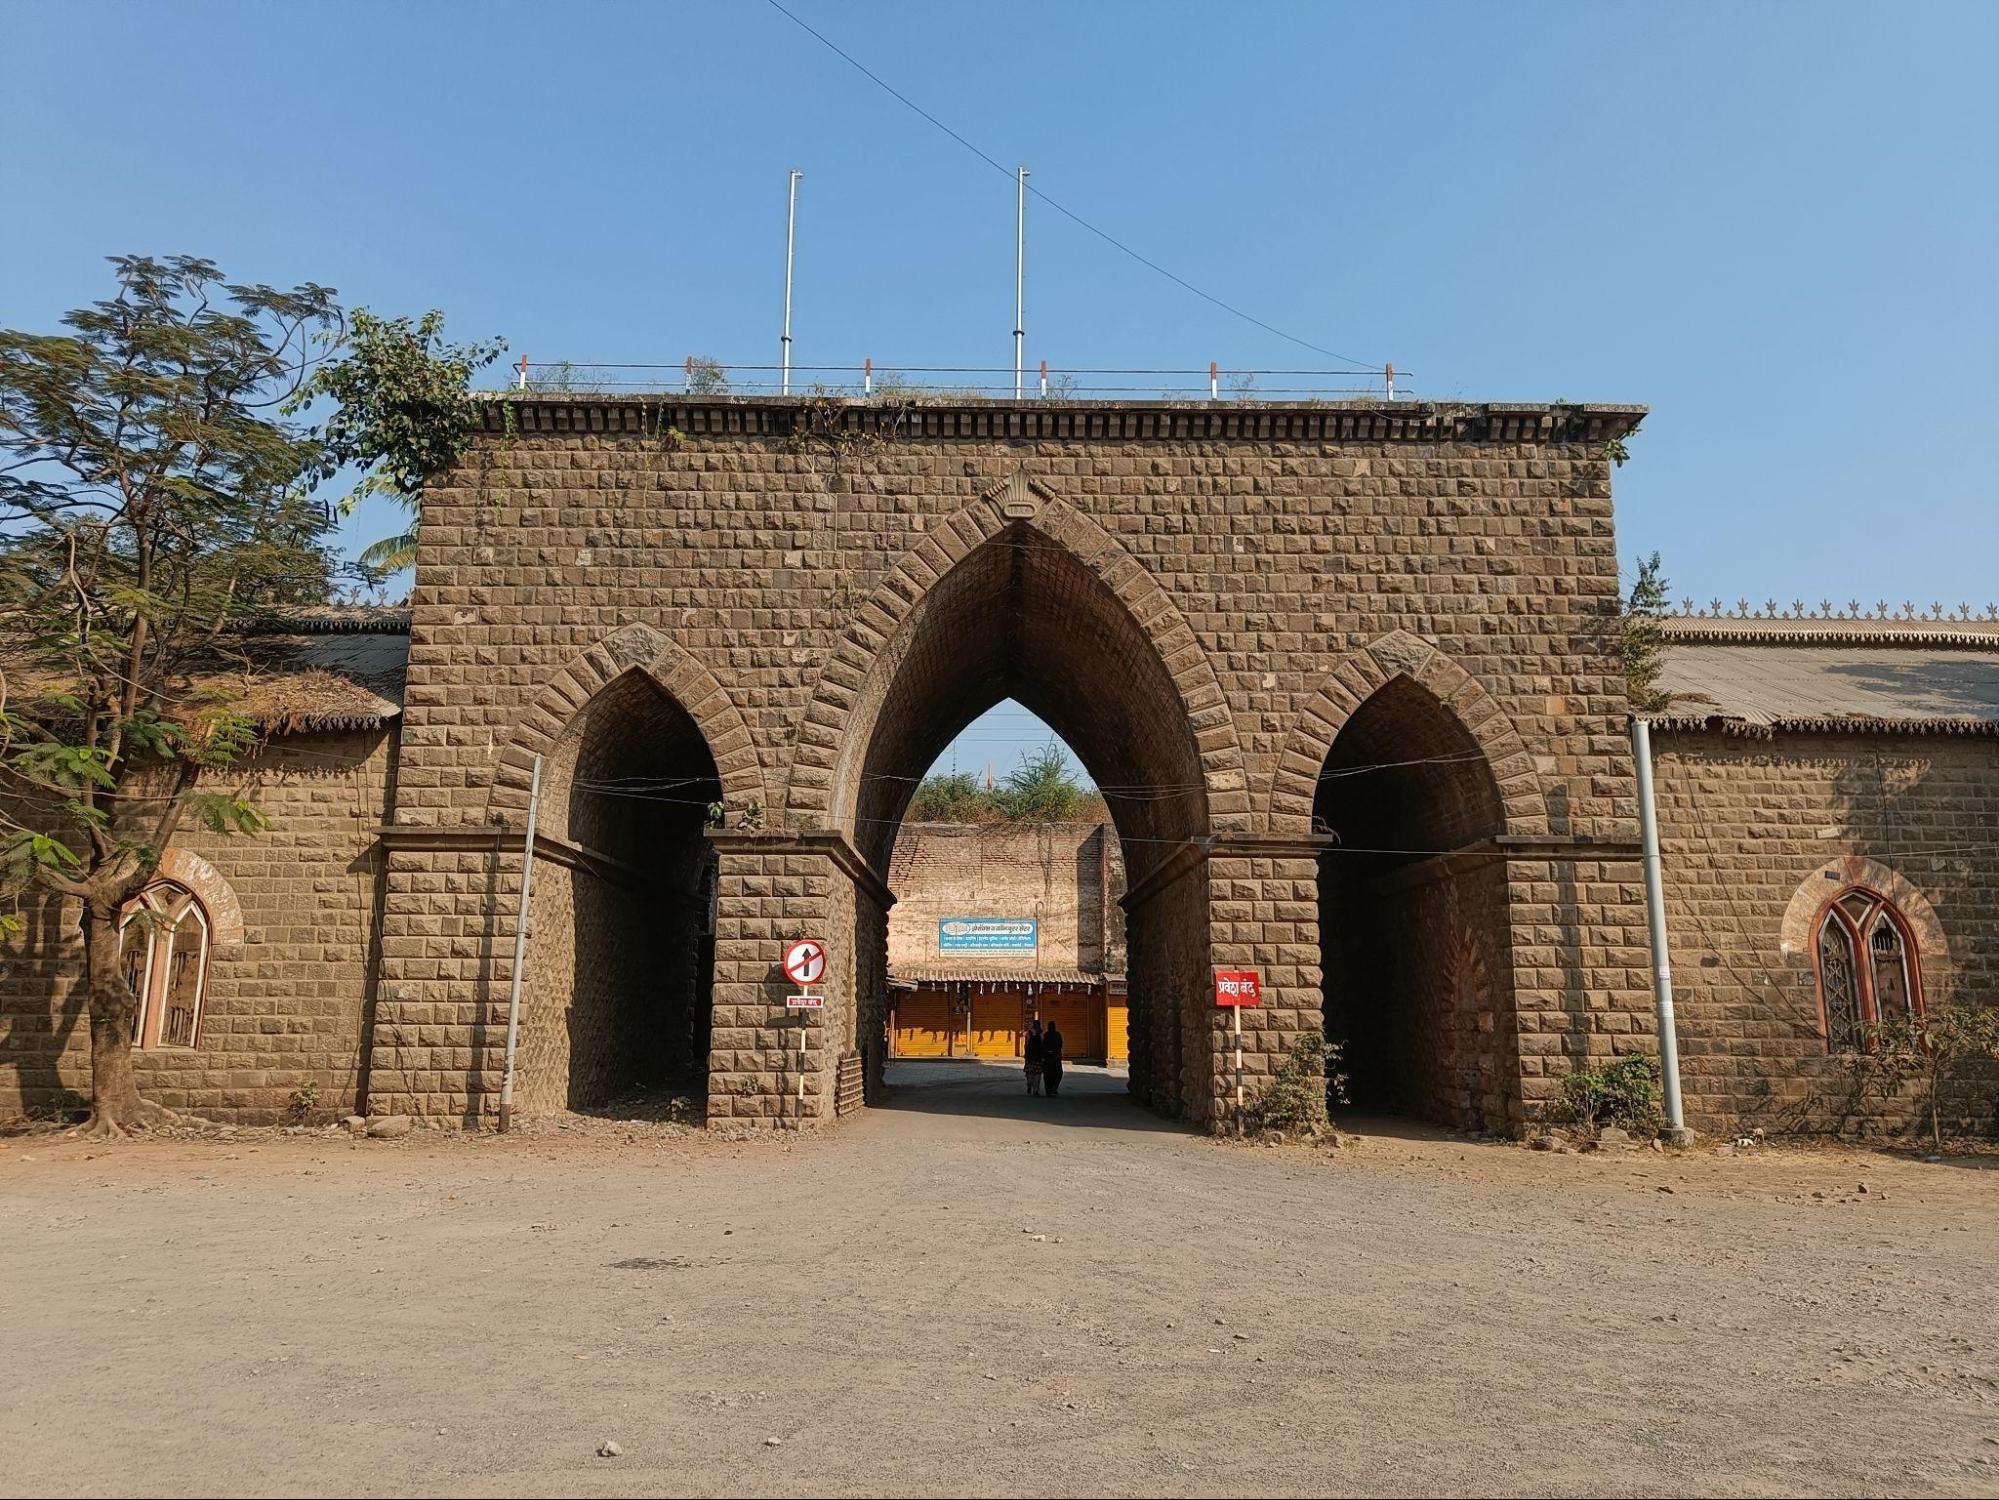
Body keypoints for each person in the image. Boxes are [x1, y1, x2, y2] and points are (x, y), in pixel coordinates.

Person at [1041, 1018, 1064, 1097]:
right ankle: (1053, 1088)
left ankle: (1050, 1089)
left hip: (1051, 1058)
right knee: (1056, 1073)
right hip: (1053, 1057)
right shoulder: (1055, 1034)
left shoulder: (1048, 1035)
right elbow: (1060, 1044)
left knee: (1050, 1074)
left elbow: (1044, 1045)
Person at [1023, 1018, 1044, 1095]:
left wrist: (1026, 1054)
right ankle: (1035, 1090)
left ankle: (1029, 1083)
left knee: (1029, 1071)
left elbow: (1026, 1045)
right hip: (1038, 1056)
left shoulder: (1028, 1033)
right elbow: (1043, 1044)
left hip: (1030, 1056)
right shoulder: (1041, 1033)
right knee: (1037, 1074)